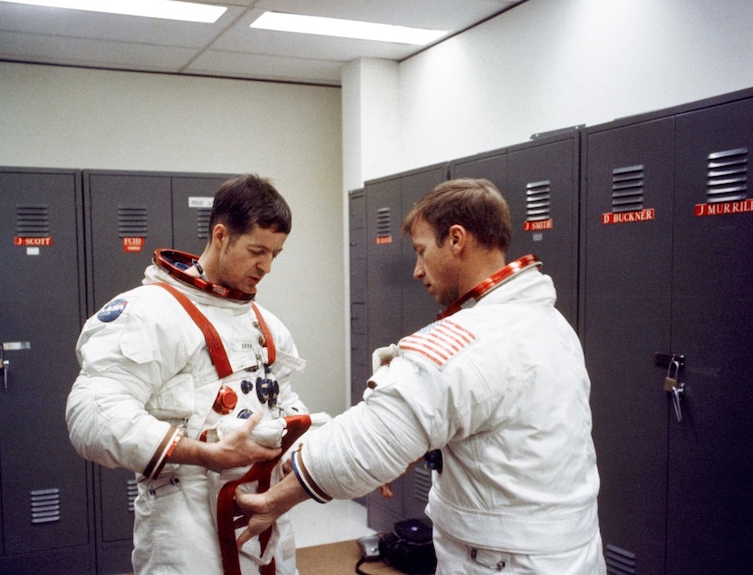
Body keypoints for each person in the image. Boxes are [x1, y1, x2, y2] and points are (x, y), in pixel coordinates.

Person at [237, 178, 607, 574]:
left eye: (421, 251)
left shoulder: (469, 341)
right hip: (572, 551)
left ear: (456, 240)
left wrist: (282, 485)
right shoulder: (548, 322)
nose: (416, 270)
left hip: (504, 562)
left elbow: (366, 444)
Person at [66, 174, 312, 575]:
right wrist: (204, 454)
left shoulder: (266, 326)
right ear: (221, 236)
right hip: (184, 521)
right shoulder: (149, 313)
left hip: (262, 513)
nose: (265, 266)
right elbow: (91, 417)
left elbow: (282, 402)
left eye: (275, 254)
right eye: (256, 250)